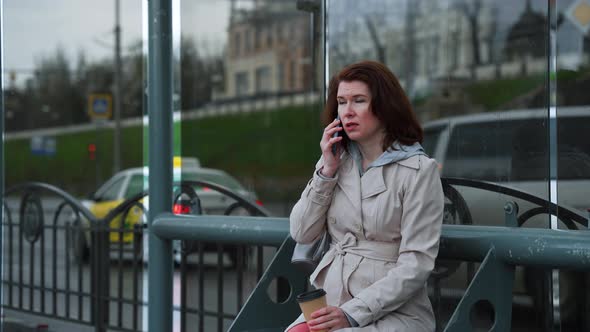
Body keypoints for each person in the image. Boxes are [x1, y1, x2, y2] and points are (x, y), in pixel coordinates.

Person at [286, 60, 444, 332]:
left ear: (384, 107)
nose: (347, 112)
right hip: (332, 301)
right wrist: (326, 172)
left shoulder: (418, 171)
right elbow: (301, 232)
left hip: (395, 312)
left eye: (358, 101)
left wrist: (351, 313)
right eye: (341, 102)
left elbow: (416, 265)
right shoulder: (336, 161)